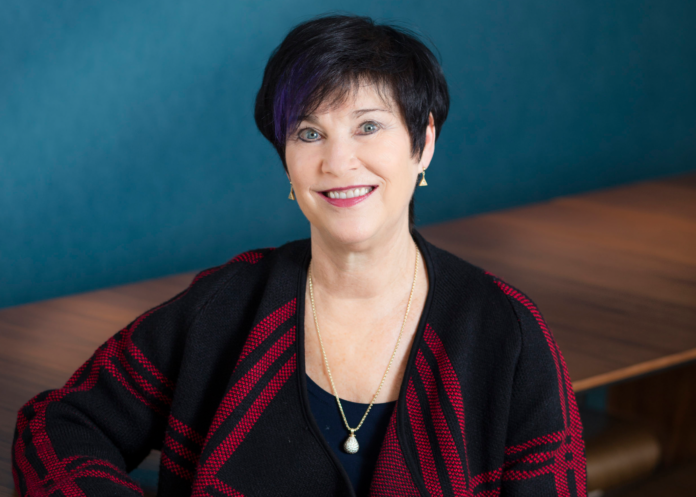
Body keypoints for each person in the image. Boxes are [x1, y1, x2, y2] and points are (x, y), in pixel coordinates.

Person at [13, 14, 587, 497]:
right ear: (286, 159)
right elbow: (55, 426)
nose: (338, 163)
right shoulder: (226, 305)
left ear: (424, 143)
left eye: (368, 126)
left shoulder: (505, 332)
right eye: (310, 134)